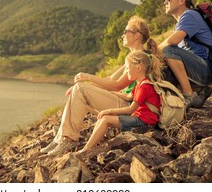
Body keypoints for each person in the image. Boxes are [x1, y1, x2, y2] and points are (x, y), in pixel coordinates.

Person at [40, 15, 161, 156]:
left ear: (137, 35)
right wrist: (87, 86)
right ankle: (62, 138)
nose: (122, 35)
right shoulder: (134, 57)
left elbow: (116, 85)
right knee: (78, 92)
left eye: (126, 31)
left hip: (131, 109)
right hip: (125, 102)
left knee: (80, 89)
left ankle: (68, 139)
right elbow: (110, 78)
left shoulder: (140, 60)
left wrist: (87, 78)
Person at [80, 51, 162, 152]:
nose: (126, 71)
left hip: (144, 122)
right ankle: (91, 145)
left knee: (105, 119)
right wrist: (111, 92)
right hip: (139, 118)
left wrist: (108, 111)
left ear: (138, 68)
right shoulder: (140, 84)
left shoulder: (145, 87)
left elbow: (130, 109)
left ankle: (86, 150)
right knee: (103, 118)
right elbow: (128, 97)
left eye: (127, 68)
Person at [159, 0, 212, 109]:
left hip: (206, 70)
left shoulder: (190, 15)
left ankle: (189, 94)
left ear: (182, 1)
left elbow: (171, 43)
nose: (165, 2)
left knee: (167, 50)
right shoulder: (180, 23)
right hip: (199, 70)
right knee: (161, 67)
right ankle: (198, 91)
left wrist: (149, 52)